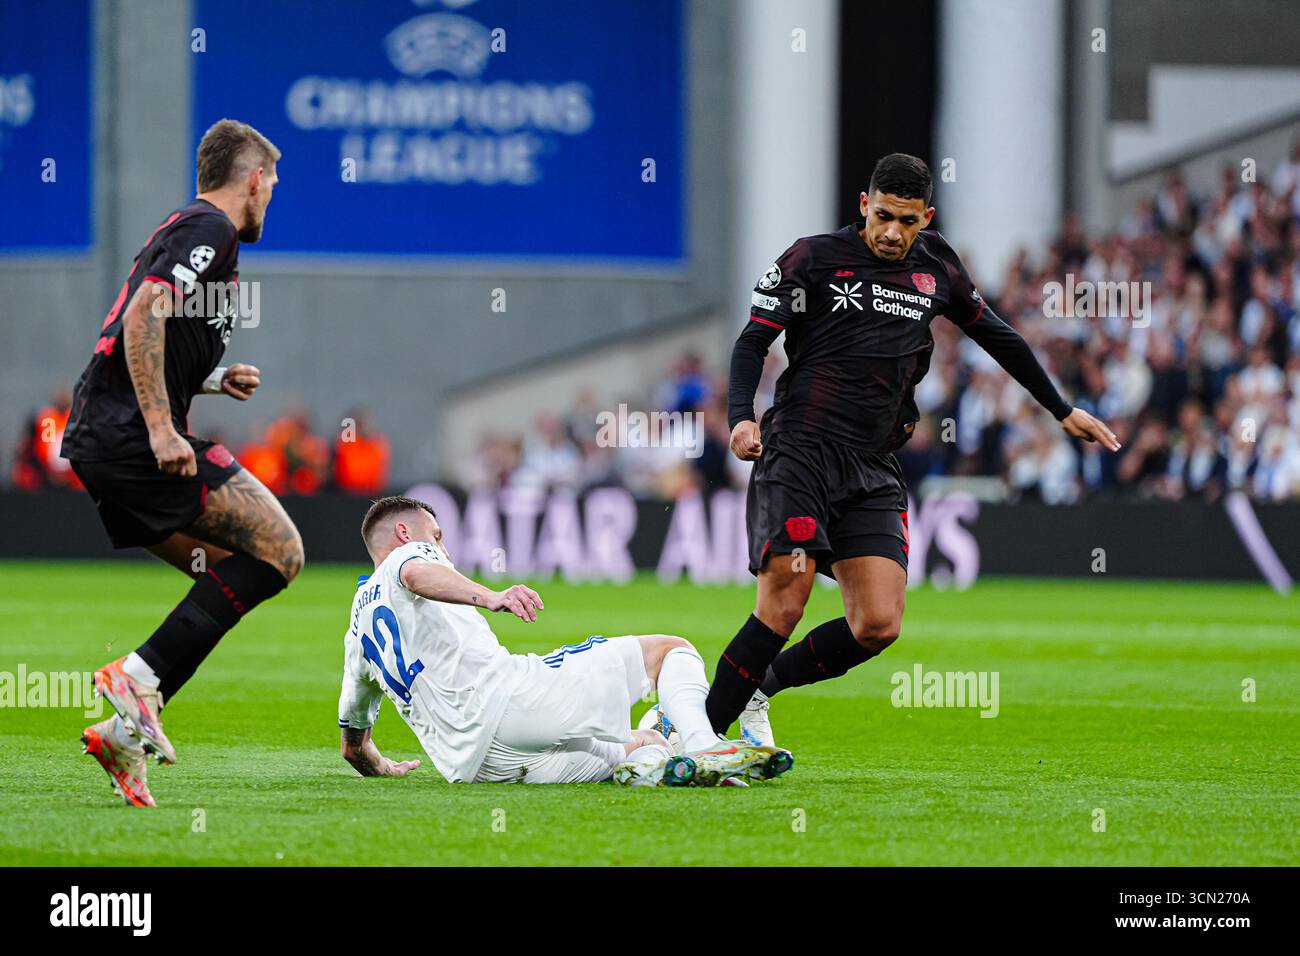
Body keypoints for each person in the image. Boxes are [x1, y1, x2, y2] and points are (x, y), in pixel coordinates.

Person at [709, 153, 1120, 746]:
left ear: (926, 217)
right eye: (883, 217)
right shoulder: (813, 258)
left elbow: (997, 336)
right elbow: (753, 342)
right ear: (863, 206)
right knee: (785, 601)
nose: (893, 232)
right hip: (801, 449)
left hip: (873, 465)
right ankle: (690, 731)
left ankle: (758, 690)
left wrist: (1061, 409)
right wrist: (741, 418)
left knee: (877, 623)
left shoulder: (937, 269)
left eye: (907, 221)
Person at [61, 119, 302, 807]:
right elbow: (143, 316)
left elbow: (127, 338)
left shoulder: (184, 228)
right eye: (273, 185)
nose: (271, 198)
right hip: (135, 441)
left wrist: (207, 381)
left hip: (102, 440)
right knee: (281, 549)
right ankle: (137, 680)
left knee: (232, 570)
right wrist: (164, 428)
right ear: (252, 179)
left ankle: (123, 734)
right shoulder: (212, 231)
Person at [338, 496, 794, 787]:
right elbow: (416, 572)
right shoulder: (409, 556)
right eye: (437, 537)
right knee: (669, 650)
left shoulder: (357, 630)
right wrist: (491, 595)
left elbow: (354, 747)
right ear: (404, 533)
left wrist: (386, 768)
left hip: (476, 768)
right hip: (511, 702)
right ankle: (706, 744)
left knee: (642, 742)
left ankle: (662, 769)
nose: (444, 549)